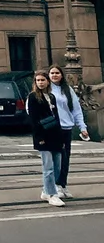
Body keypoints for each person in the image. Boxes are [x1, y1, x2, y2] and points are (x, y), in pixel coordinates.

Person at [48, 63, 90, 198]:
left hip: (67, 128)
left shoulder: (67, 90)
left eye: (57, 73)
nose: (54, 75)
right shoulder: (46, 90)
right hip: (53, 129)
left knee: (66, 158)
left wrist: (82, 127)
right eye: (52, 73)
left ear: (61, 75)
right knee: (57, 158)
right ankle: (56, 185)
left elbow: (76, 109)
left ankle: (63, 184)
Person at [26, 70, 66, 205]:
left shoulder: (51, 96)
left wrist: (61, 138)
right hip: (43, 136)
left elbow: (57, 118)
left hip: (55, 135)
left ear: (47, 81)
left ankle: (46, 190)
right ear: (35, 83)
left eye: (43, 80)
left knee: (57, 166)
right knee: (48, 167)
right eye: (38, 80)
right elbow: (34, 119)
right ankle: (51, 194)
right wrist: (39, 137)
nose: (40, 83)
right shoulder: (33, 97)